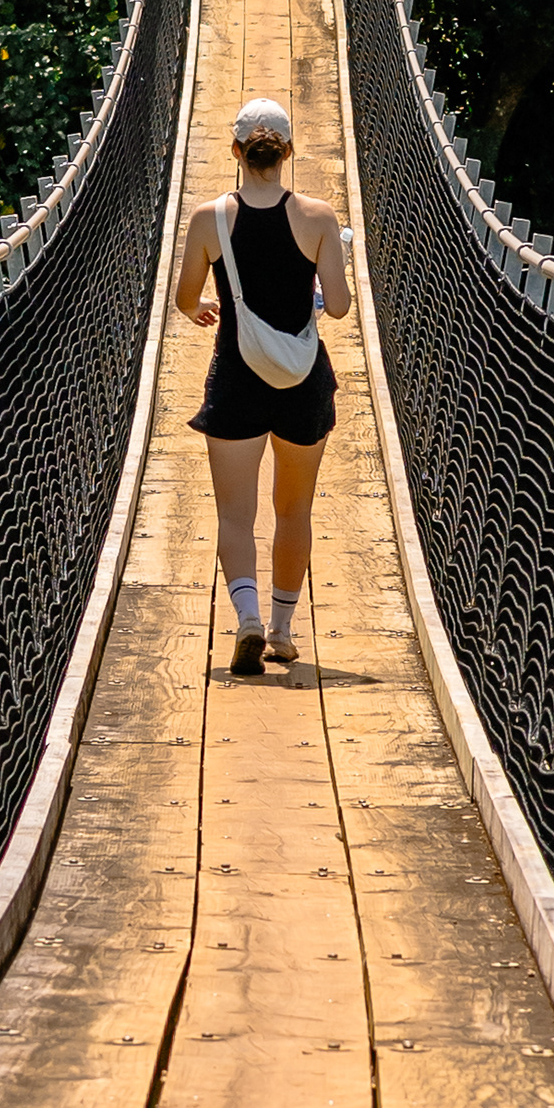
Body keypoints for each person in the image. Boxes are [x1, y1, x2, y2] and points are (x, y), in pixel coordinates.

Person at [175, 91, 352, 676]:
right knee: (294, 510)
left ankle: (246, 617)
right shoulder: (320, 217)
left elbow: (184, 300)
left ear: (236, 150)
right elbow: (340, 309)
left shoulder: (208, 219)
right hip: (302, 381)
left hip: (236, 379)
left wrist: (207, 306)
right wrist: (318, 289)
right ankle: (281, 627)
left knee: (234, 514)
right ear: (289, 152)